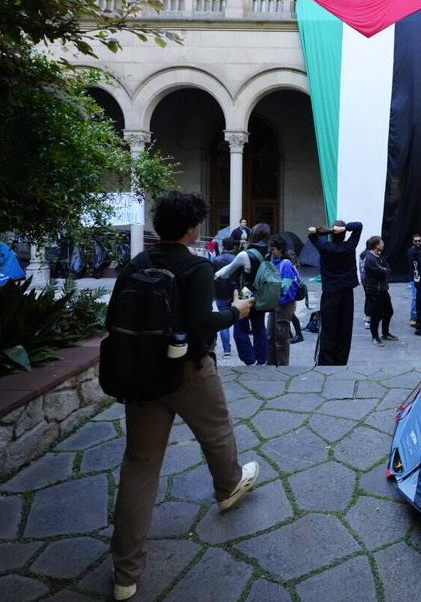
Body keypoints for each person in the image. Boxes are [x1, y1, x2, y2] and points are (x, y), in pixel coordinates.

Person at [108, 191, 258, 601]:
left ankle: (125, 575)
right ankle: (228, 488)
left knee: (139, 466)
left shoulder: (137, 263)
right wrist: (237, 312)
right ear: (192, 228)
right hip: (189, 372)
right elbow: (202, 321)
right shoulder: (196, 266)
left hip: (141, 374)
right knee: (217, 432)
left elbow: (112, 316)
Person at [215, 223, 272, 365]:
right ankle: (261, 359)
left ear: (253, 235)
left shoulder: (245, 254)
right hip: (263, 293)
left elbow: (228, 270)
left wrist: (217, 274)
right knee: (259, 326)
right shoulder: (270, 252)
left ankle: (248, 359)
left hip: (246, 292)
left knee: (240, 327)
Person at [308, 220, 363, 366]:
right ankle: (341, 360)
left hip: (330, 293)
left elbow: (311, 235)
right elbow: (358, 226)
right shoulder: (349, 247)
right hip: (346, 292)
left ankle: (326, 361)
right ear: (343, 234)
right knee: (345, 329)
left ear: (332, 235)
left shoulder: (326, 247)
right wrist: (344, 227)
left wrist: (317, 230)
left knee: (328, 327)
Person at [267, 238, 300, 366]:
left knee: (281, 336)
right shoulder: (273, 262)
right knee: (271, 334)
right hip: (276, 303)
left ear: (280, 249)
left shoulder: (285, 264)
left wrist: (280, 300)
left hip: (284, 305)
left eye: (273, 249)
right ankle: (271, 363)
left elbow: (289, 287)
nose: (271, 251)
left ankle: (282, 365)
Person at [361, 235, 397, 345]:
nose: (383, 244)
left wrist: (384, 270)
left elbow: (387, 269)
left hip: (383, 289)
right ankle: (375, 337)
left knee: (389, 311)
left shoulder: (379, 256)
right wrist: (384, 270)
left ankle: (385, 333)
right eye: (381, 243)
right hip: (375, 291)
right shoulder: (370, 258)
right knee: (376, 315)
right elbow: (380, 272)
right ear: (376, 245)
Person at [210, 238, 238, 359]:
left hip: (220, 293)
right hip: (235, 292)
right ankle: (242, 345)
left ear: (223, 246)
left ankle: (227, 349)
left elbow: (213, 277)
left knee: (224, 321)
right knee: (239, 317)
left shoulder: (216, 260)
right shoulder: (236, 259)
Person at [406, 233, 421, 327]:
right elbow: (413, 264)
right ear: (413, 242)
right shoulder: (411, 251)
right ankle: (413, 317)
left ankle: (418, 316)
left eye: (419, 241)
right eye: (416, 241)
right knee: (415, 297)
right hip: (414, 277)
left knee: (419, 297)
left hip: (420, 277)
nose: (418, 242)